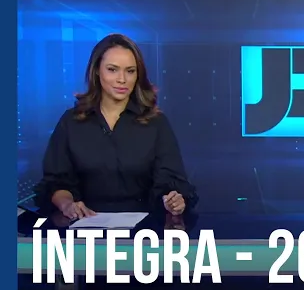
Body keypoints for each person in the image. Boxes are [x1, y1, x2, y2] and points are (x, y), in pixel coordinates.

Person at [33, 33, 198, 225]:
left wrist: (173, 200)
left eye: (130, 71)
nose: (122, 79)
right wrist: (67, 205)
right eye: (112, 70)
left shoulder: (156, 123)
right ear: (97, 71)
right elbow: (56, 182)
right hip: (85, 230)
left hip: (144, 231)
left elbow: (171, 182)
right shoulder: (71, 122)